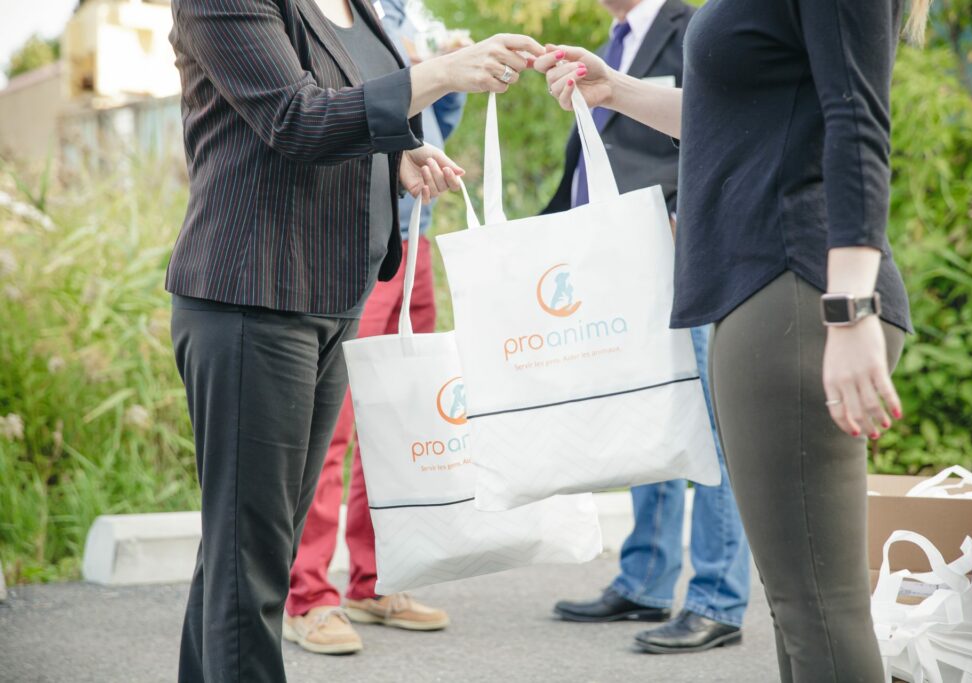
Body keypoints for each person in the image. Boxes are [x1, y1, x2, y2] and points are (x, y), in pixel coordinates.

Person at [535, 0, 925, 678]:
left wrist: (850, 309)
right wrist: (616, 90)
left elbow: (858, 121)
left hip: (797, 291)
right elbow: (732, 117)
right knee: (799, 611)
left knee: (818, 613)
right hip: (764, 293)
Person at [167, 0, 543, 678]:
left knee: (253, 553)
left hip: (333, 295)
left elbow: (348, 105)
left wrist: (398, 152)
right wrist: (444, 72)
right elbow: (296, 118)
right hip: (254, 295)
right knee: (248, 560)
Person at [543, 0, 750, 655]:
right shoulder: (616, 42)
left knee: (708, 427)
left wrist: (687, 217)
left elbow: (718, 129)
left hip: (676, 252)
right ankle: (646, 580)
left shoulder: (693, 29)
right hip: (616, 264)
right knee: (650, 416)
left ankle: (717, 598)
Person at [283, 0, 468, 655]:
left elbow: (433, 123)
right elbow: (323, 115)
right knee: (330, 426)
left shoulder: (406, 13)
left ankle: (376, 579)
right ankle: (307, 594)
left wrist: (446, 79)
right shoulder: (331, 13)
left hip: (413, 235)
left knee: (397, 419)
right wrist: (428, 70)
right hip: (355, 235)